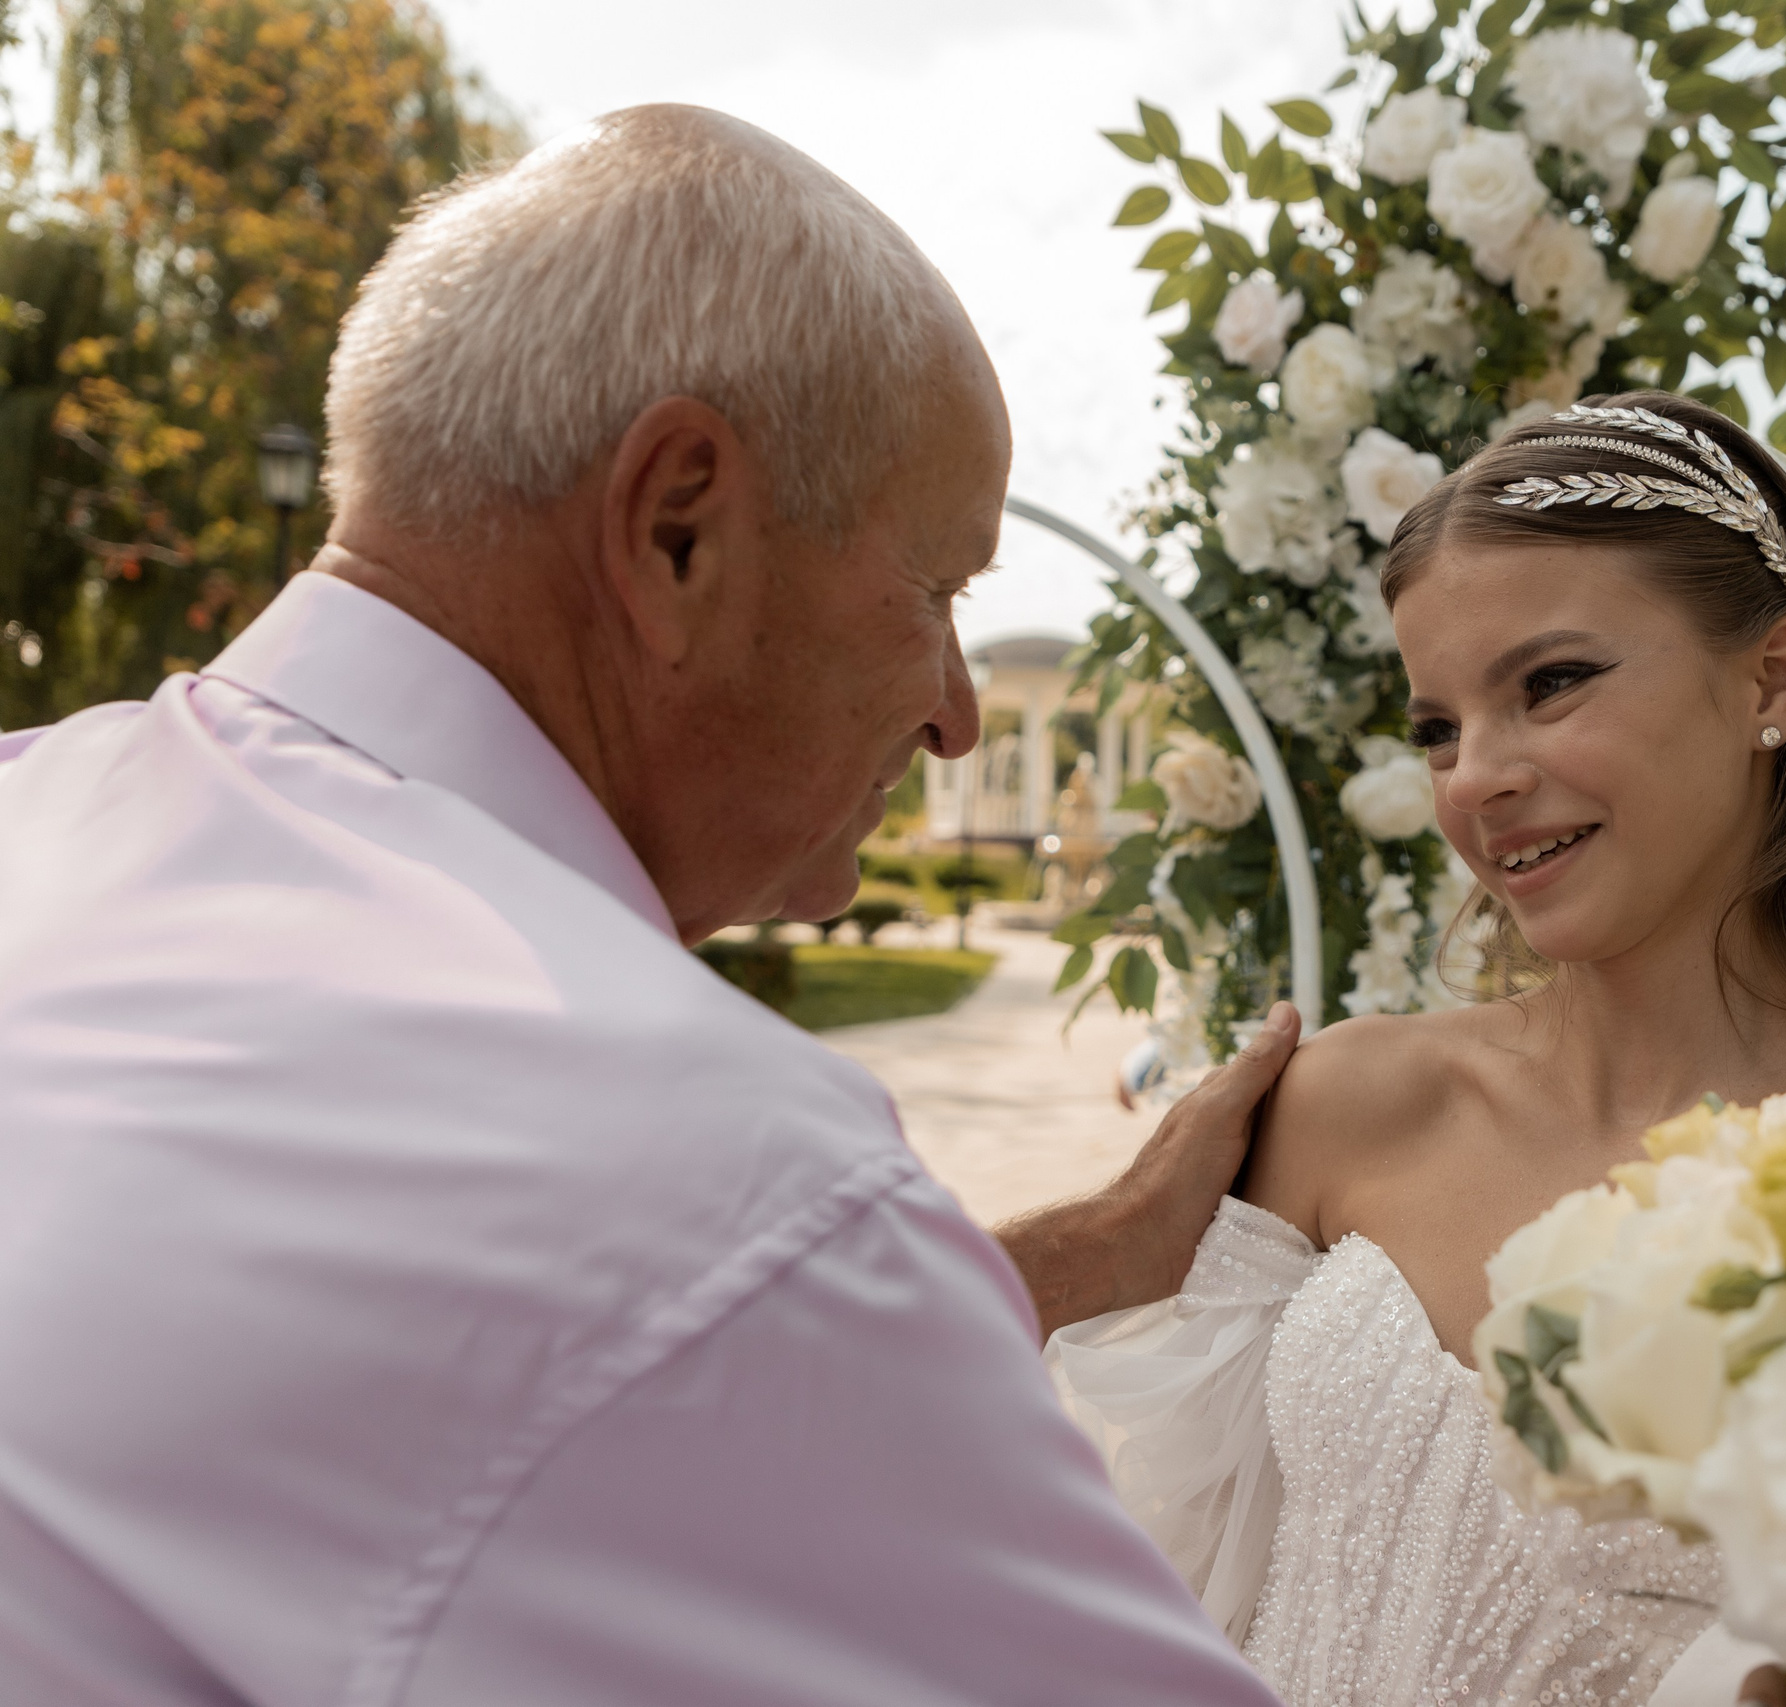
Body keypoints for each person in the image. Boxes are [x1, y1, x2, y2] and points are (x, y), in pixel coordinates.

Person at [0, 105, 1296, 1706]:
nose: (959, 716)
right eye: (940, 593)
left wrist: (1057, 1265)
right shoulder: (711, 1174)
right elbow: (643, 1310)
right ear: (678, 527)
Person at [1048, 394, 1786, 1707]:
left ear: (1771, 681)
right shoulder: (1347, 1104)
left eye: (1552, 683)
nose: (1474, 777)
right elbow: (1183, 1603)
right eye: (1437, 727)